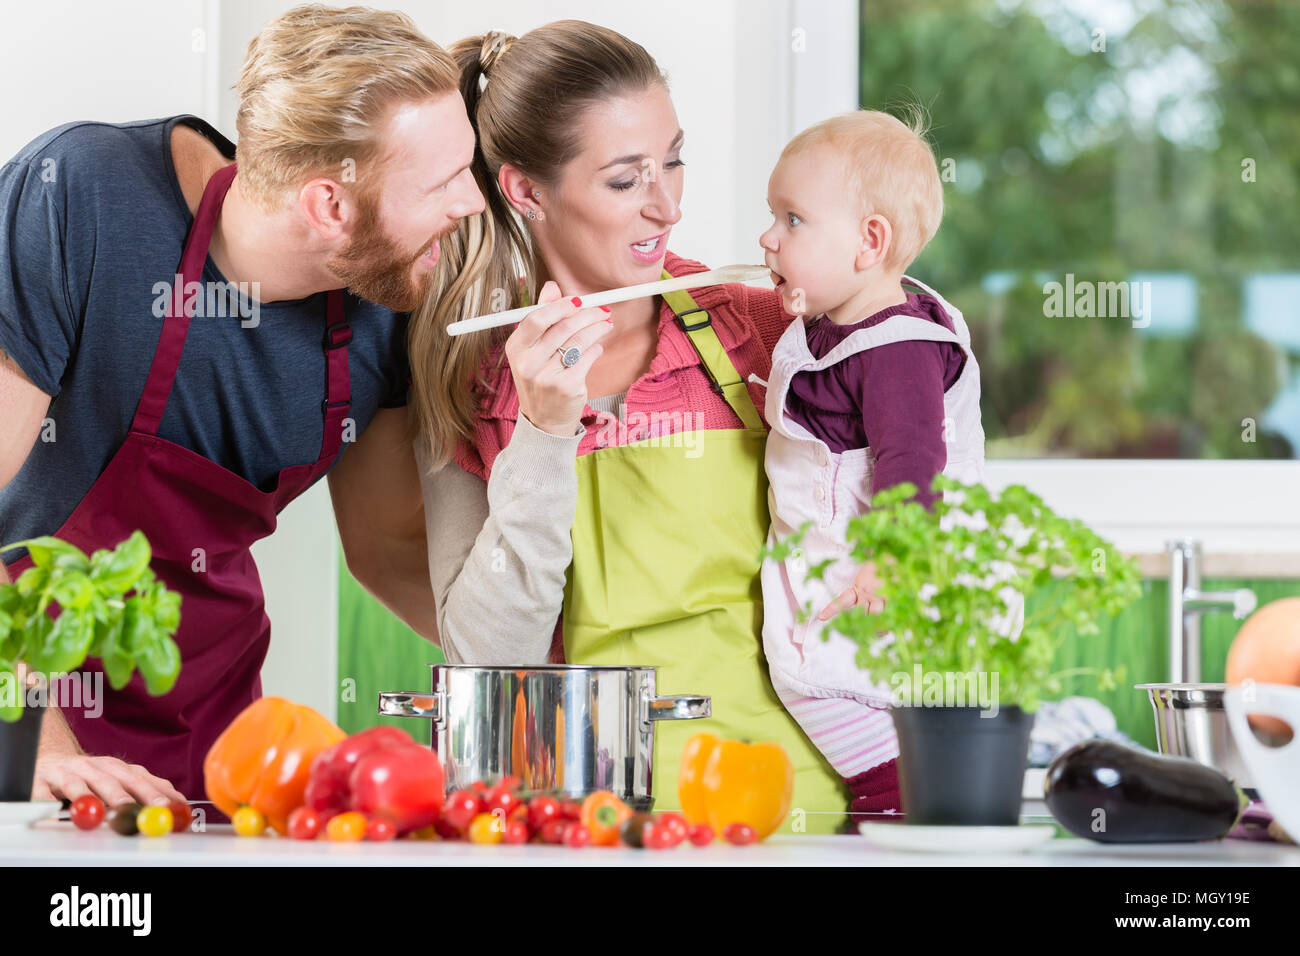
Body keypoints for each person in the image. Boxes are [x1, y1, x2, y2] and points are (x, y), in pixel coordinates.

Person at [0, 4, 483, 808]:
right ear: (329, 206)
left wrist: (551, 668)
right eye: (443, 183)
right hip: (24, 708)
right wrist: (31, 748)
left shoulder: (392, 288)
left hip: (216, 741)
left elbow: (388, 549)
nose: (470, 202)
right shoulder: (81, 198)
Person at [407, 22, 849, 832]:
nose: (669, 205)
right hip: (582, 821)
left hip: (795, 808)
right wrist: (542, 432)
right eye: (624, 180)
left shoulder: (755, 330)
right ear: (526, 192)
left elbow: (917, 448)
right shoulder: (467, 382)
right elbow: (485, 660)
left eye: (673, 160)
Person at [757, 109, 1000, 813]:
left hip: (876, 574)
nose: (767, 238)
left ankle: (897, 817)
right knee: (840, 699)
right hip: (834, 565)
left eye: (793, 220)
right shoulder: (831, 328)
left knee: (857, 705)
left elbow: (913, 463)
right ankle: (897, 810)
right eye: (771, 215)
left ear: (870, 242)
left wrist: (893, 559)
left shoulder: (896, 350)